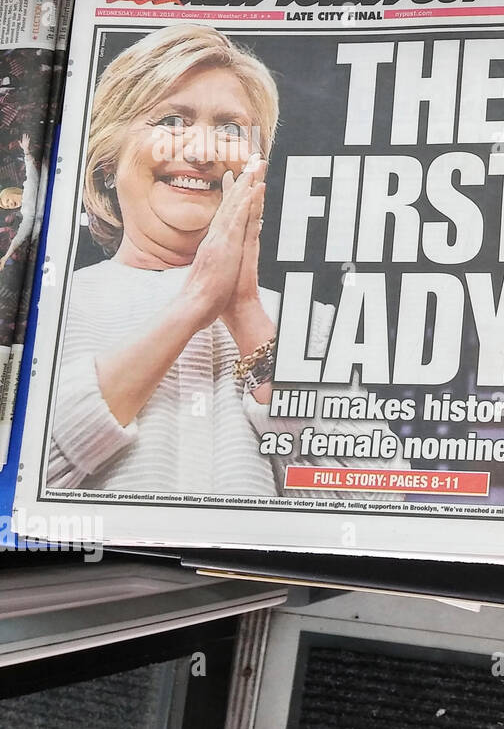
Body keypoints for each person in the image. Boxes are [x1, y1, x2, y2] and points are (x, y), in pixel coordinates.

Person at [48, 24, 406, 497]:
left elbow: (373, 496)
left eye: (230, 129)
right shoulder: (50, 309)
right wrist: (193, 305)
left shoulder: (305, 324)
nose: (201, 152)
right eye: (172, 121)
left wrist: (246, 316)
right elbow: (22, 476)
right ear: (108, 161)